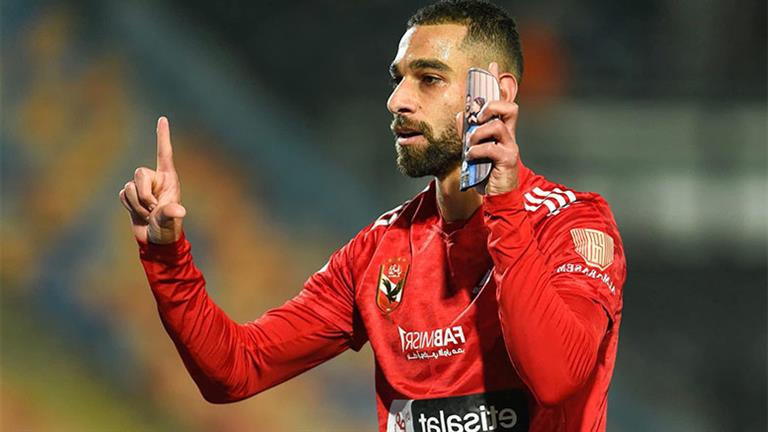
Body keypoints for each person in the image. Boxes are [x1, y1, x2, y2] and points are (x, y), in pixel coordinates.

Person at [118, 1, 626, 431]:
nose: (397, 100)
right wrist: (166, 255)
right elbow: (235, 369)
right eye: (398, 79)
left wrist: (505, 207)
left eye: (429, 79)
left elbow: (556, 379)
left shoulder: (571, 225)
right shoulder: (380, 249)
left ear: (496, 94)